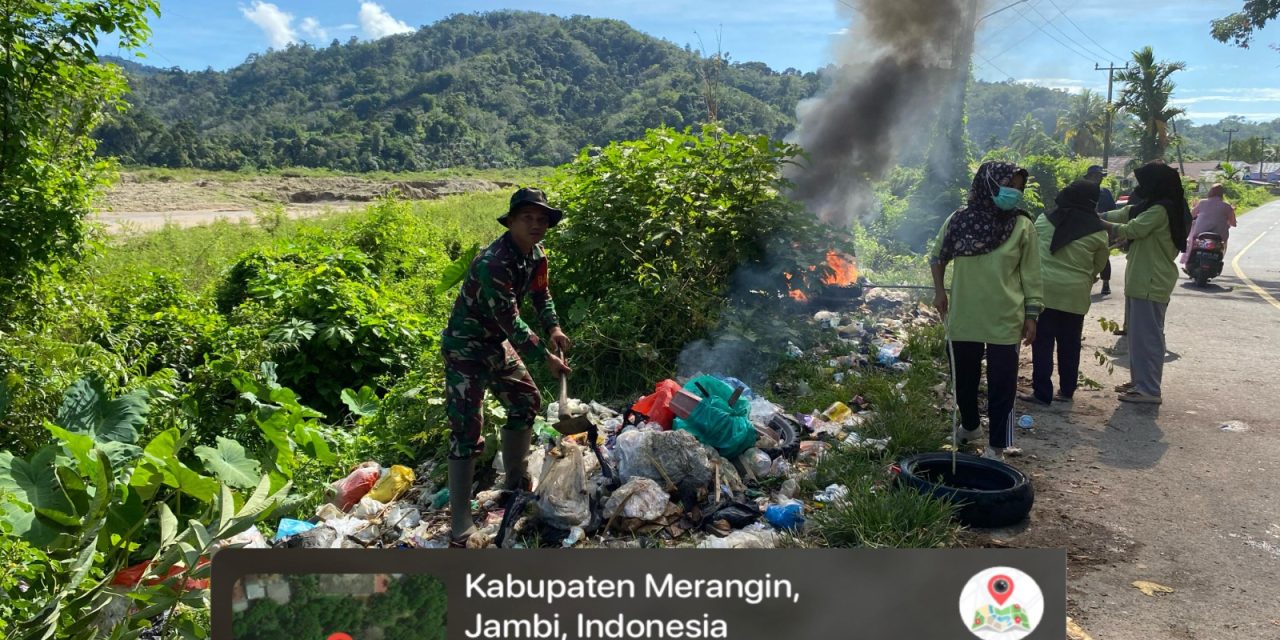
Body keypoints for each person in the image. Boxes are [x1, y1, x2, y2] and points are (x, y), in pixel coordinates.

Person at [441, 187, 572, 545]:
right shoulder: (493, 263)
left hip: (495, 345)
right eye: (527, 218)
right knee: (467, 429)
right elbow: (509, 321)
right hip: (466, 349)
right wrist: (544, 357)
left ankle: (514, 485)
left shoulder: (536, 255)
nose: (535, 225)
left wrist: (554, 328)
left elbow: (541, 294)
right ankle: (460, 523)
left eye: (542, 219)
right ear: (511, 221)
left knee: (525, 401)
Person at [931, 161, 1044, 460]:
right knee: (963, 377)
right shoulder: (958, 220)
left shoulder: (1022, 225)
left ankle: (997, 446)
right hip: (965, 314)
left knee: (1002, 384)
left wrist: (1032, 315)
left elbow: (1032, 274)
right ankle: (970, 426)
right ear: (990, 184)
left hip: (1005, 316)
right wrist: (940, 291)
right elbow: (937, 256)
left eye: (1019, 189)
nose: (1014, 194)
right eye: (1010, 186)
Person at [1100, 162, 1190, 404]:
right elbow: (1128, 212)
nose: (1141, 187)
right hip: (1143, 280)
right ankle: (1140, 381)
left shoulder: (1161, 210)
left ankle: (1149, 388)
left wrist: (1102, 224)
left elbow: (1133, 228)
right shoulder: (1156, 206)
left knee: (1148, 337)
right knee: (1138, 337)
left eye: (1145, 182)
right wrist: (1100, 215)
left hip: (1150, 281)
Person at [1023, 179, 1111, 406]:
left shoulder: (1044, 220)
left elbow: (1030, 251)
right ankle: (1067, 390)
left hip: (1044, 293)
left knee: (1042, 344)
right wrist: (1085, 277)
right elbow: (1099, 265)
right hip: (1075, 296)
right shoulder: (1098, 232)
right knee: (1070, 344)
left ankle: (1042, 393)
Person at [1181, 183, 1237, 265]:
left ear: (1210, 192)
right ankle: (1219, 259)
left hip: (1200, 232)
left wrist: (1194, 208)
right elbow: (1233, 223)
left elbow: (1191, 215)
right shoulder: (1227, 206)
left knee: (1192, 241)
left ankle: (1188, 260)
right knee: (1223, 244)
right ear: (1222, 194)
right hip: (1219, 235)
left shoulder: (1202, 203)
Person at [1085, 165, 1116, 295]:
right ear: (1089, 177)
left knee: (1103, 253)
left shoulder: (1105, 192)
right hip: (1085, 226)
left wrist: (1111, 228)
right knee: (1086, 254)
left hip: (1102, 226)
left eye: (1100, 176)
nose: (1098, 178)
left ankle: (1106, 282)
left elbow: (1113, 210)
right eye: (1096, 176)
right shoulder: (1082, 190)